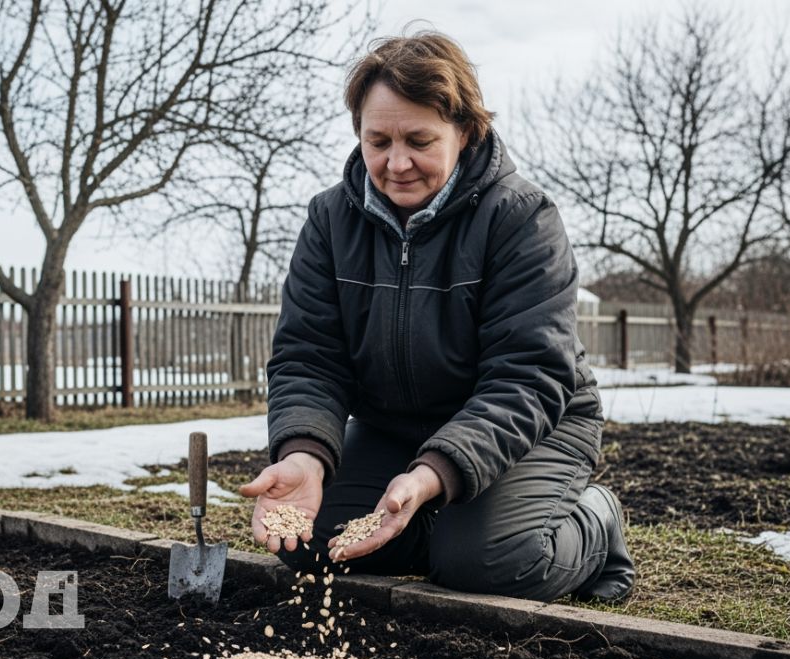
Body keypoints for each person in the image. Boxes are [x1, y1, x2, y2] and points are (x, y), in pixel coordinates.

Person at [239, 31, 635, 602]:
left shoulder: (521, 218)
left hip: (530, 428)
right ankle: (443, 525)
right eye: (377, 141)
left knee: (490, 564)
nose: (396, 163)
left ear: (465, 130)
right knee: (311, 541)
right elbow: (308, 354)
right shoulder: (329, 220)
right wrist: (304, 454)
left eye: (419, 140)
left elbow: (528, 374)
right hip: (395, 427)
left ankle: (597, 521)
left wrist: (432, 473)